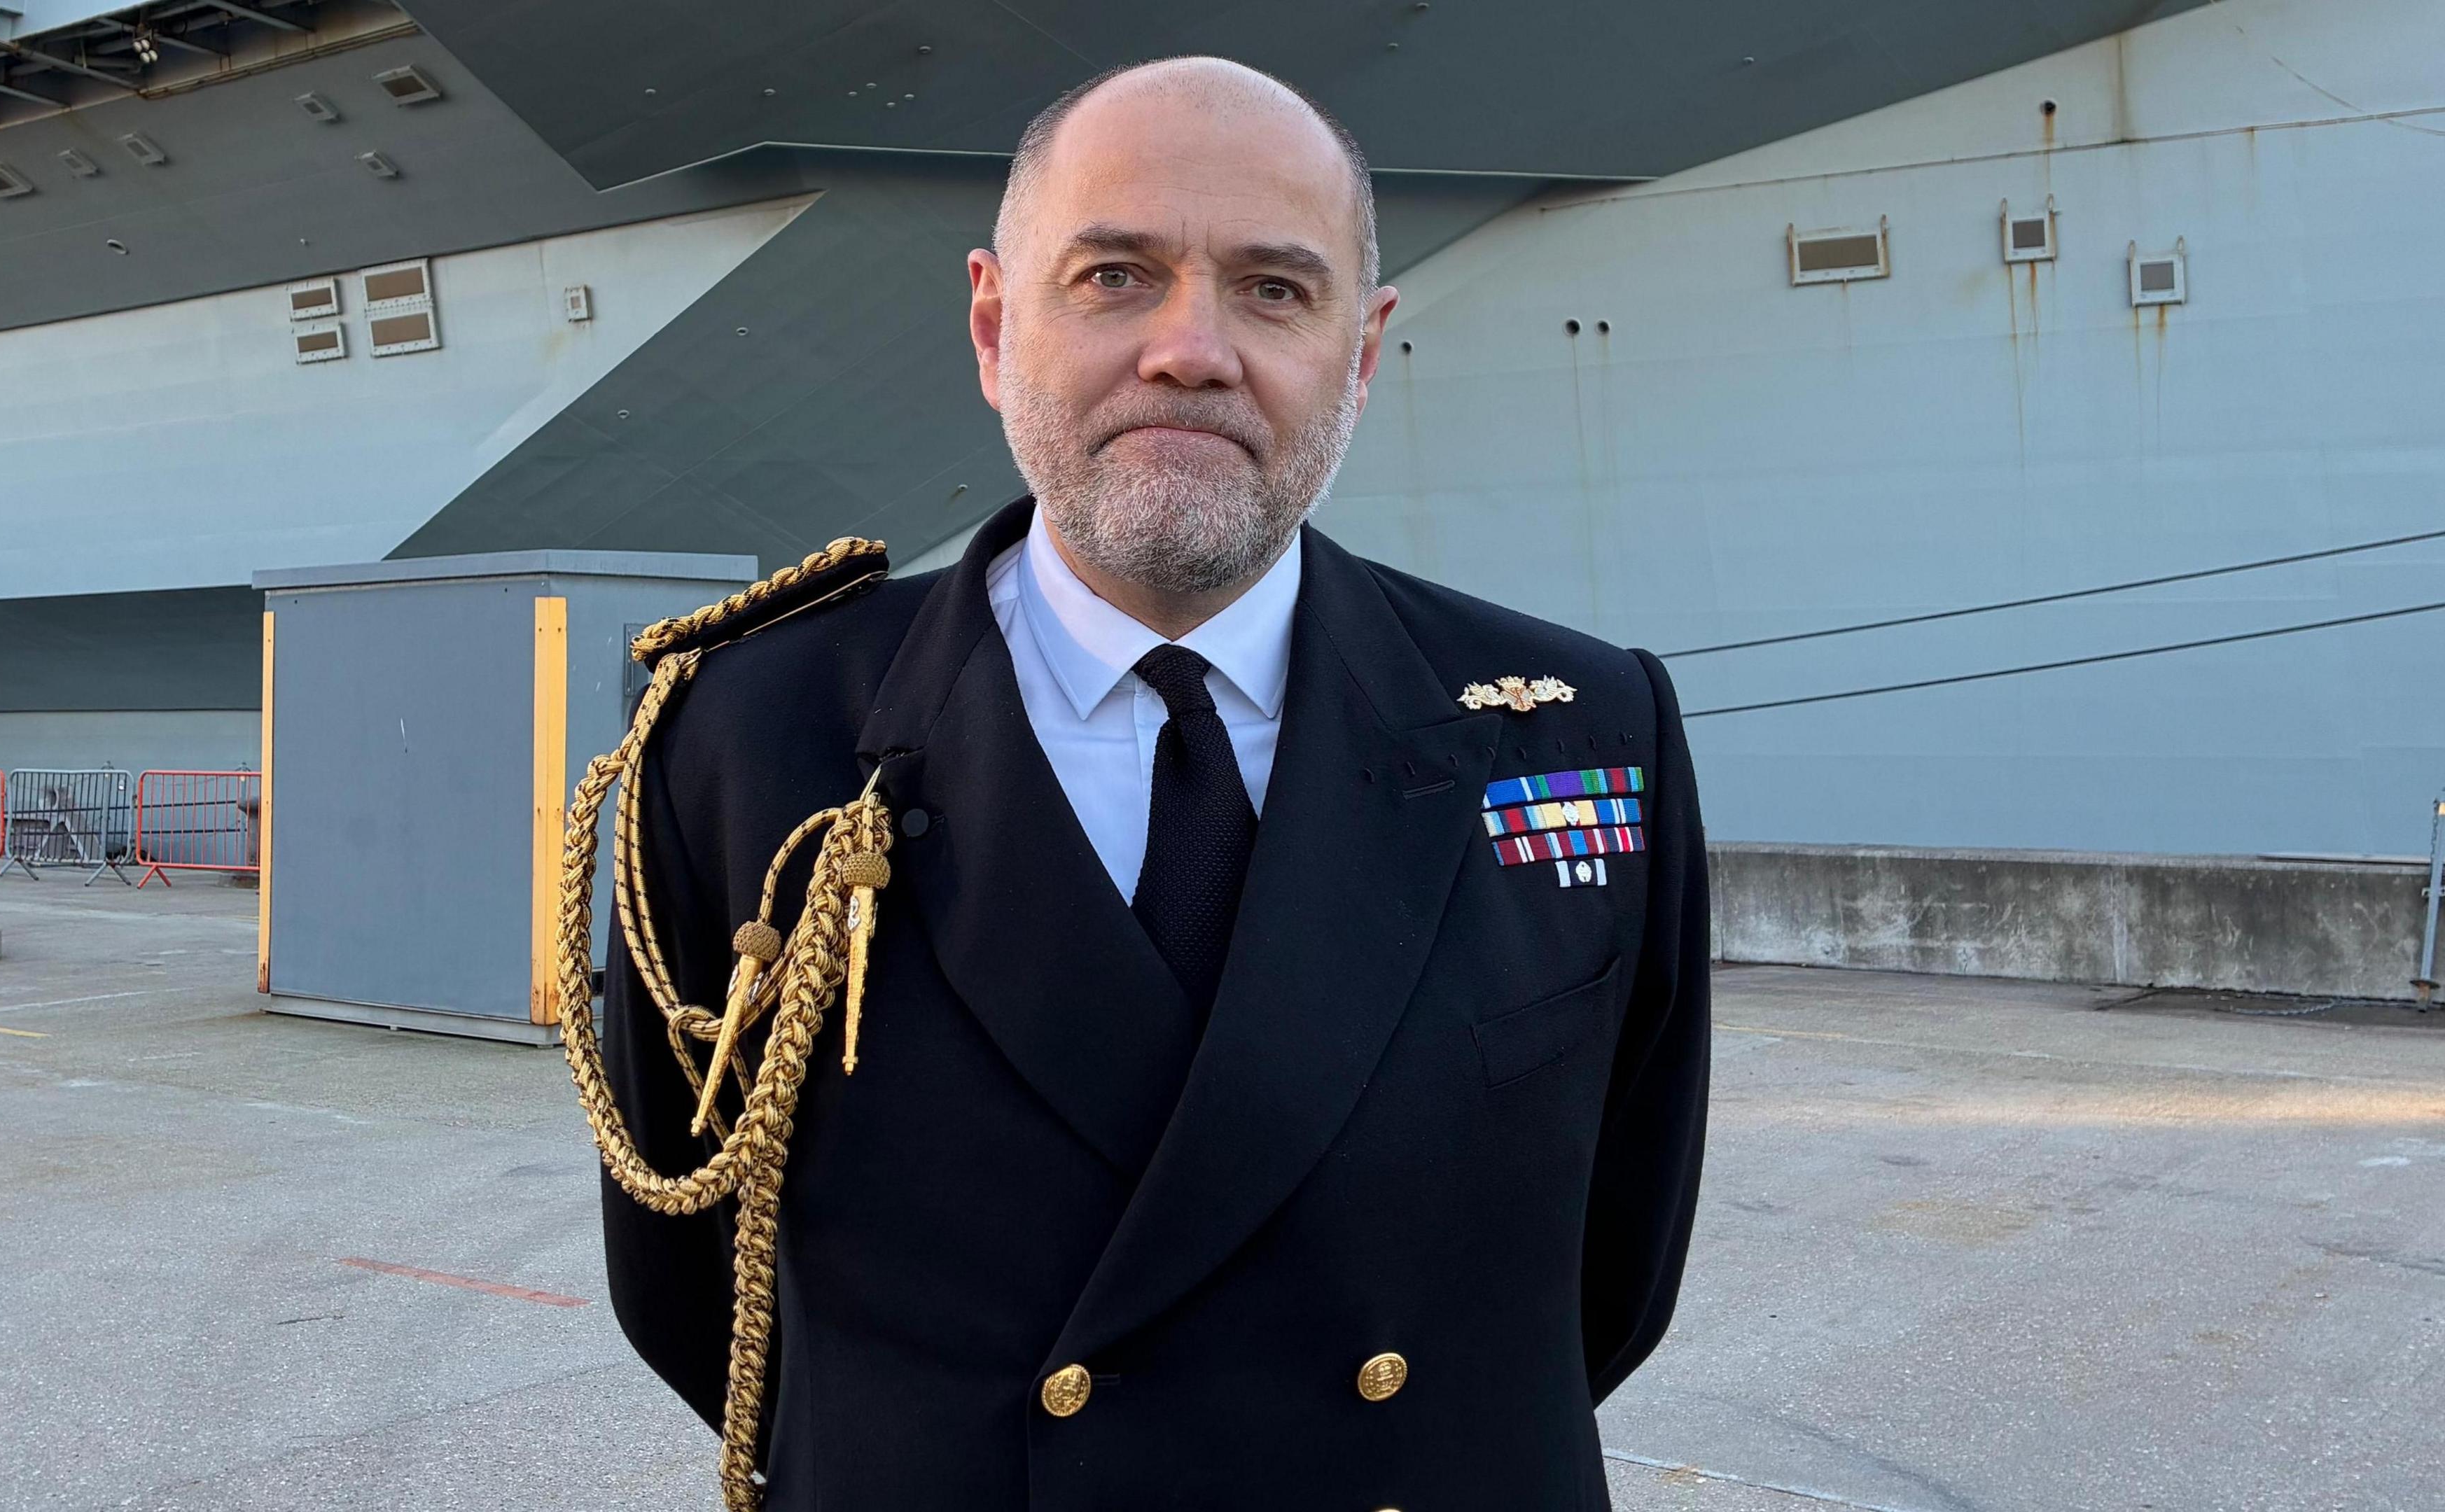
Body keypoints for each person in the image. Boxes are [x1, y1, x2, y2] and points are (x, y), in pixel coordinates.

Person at [589, 54, 1711, 1511]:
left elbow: (1608, 1277)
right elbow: (692, 1285)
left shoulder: (1580, 728)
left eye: (1274, 289)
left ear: (1361, 356)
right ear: (996, 328)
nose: (1192, 349)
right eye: (1116, 276)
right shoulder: (747, 736)